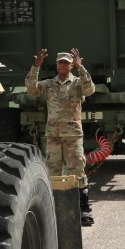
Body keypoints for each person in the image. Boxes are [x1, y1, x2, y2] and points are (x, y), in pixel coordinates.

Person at [25, 48, 96, 226]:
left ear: (72, 65)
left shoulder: (78, 83)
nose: (63, 65)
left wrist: (82, 68)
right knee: (53, 171)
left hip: (73, 135)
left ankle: (83, 209)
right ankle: (53, 211)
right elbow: (31, 89)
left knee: (77, 171)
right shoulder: (49, 84)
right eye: (60, 62)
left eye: (66, 62)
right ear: (57, 65)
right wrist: (36, 66)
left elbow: (90, 90)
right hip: (54, 136)